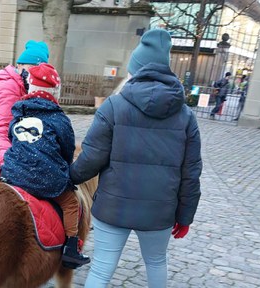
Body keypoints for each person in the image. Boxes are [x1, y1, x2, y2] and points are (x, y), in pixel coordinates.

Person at [69, 29, 202, 287]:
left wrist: (68, 177)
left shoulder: (113, 106)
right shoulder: (186, 116)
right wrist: (185, 216)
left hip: (113, 207)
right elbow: (191, 173)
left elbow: (92, 158)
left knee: (101, 270)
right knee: (156, 263)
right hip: (159, 211)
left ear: (135, 68)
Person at [0, 63, 91, 268]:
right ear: (54, 91)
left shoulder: (19, 114)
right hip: (45, 179)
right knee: (70, 203)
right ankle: (71, 248)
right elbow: (67, 150)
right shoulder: (59, 119)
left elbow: (11, 138)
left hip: (13, 173)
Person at [0, 40, 49, 177]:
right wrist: (10, 166)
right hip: (4, 164)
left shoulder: (23, 87)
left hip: (16, 161)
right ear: (20, 65)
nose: (33, 76)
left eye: (37, 72)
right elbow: (1, 132)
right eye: (31, 69)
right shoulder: (8, 88)